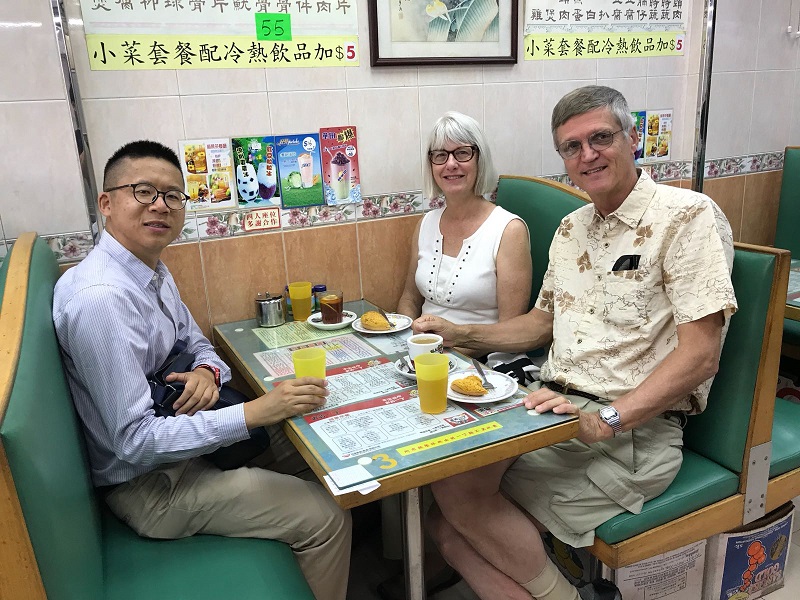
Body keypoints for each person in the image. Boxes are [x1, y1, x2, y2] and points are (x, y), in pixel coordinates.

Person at [414, 86, 738, 600]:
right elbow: (539, 325)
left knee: (459, 509)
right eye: (571, 147)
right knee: (444, 512)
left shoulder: (686, 217)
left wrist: (606, 419)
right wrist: (459, 334)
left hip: (632, 433)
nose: (587, 155)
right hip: (553, 407)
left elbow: (701, 355)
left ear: (633, 139)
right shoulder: (571, 229)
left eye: (600, 138)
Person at [53, 140, 351, 600]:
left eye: (173, 196)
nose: (161, 206)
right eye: (144, 191)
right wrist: (254, 414)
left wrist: (207, 374)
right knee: (326, 517)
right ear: (106, 204)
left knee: (333, 442)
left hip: (186, 444)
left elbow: (198, 345)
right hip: (153, 488)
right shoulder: (102, 299)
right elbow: (134, 442)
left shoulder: (150, 269)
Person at [396, 111, 532, 355]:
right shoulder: (425, 224)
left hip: (484, 360)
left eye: (462, 153)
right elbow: (410, 299)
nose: (450, 164)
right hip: (425, 354)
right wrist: (407, 340)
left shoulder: (509, 230)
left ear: (480, 159)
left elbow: (510, 330)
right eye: (440, 155)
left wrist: (447, 354)